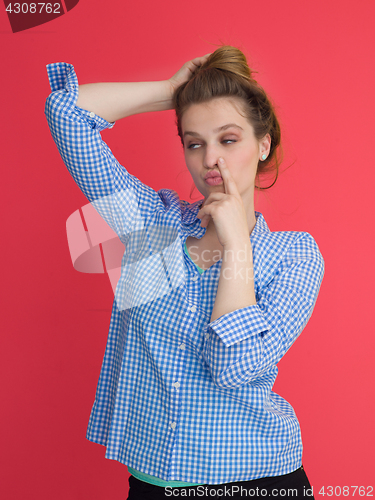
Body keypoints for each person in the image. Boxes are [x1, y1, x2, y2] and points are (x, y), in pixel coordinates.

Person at [45, 45, 324, 499]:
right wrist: (169, 92)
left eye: (228, 139)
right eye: (195, 143)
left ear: (263, 144)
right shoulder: (151, 223)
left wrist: (236, 244)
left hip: (259, 480)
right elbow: (66, 112)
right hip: (156, 482)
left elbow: (234, 368)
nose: (210, 158)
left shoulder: (293, 256)